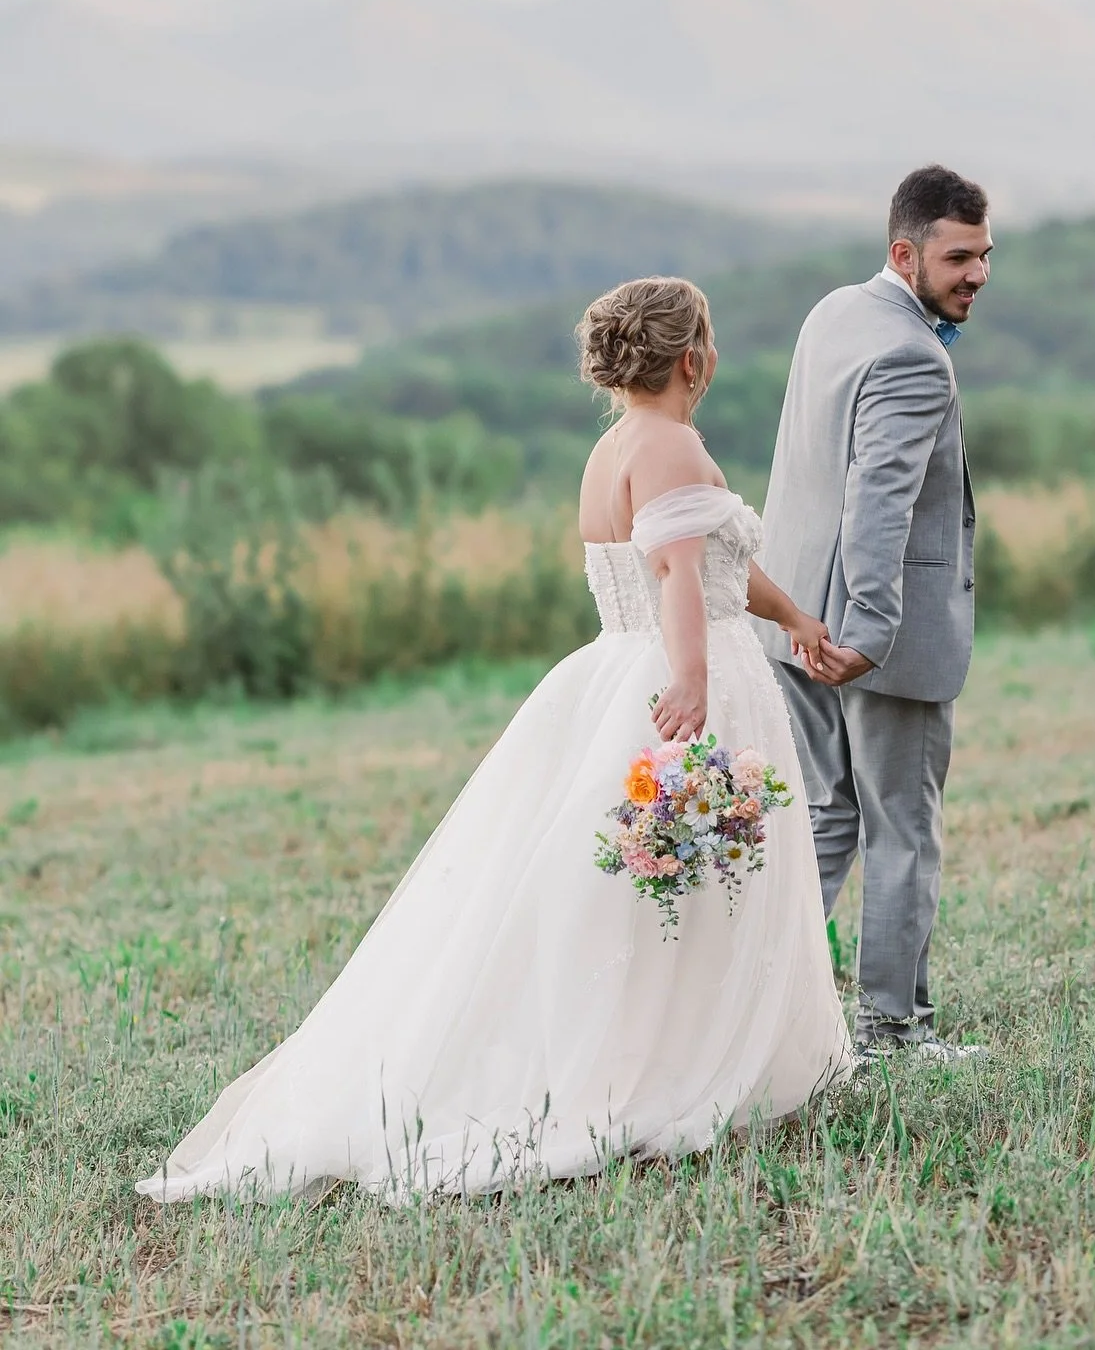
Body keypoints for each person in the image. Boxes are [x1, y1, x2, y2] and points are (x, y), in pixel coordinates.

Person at [138, 277, 850, 1203]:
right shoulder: (673, 444)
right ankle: (663, 1067)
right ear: (693, 357)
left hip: (614, 675)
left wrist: (791, 614)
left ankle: (687, 1048)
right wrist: (693, 680)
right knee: (676, 878)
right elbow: (677, 570)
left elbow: (714, 558)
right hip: (673, 678)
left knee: (657, 883)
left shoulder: (616, 448)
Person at [758, 165, 993, 1062]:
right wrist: (868, 632)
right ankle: (892, 1034)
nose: (976, 275)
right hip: (865, 636)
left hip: (791, 616)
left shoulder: (833, 312)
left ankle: (767, 1013)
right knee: (903, 831)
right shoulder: (912, 355)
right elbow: (878, 503)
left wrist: (807, 620)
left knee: (824, 817)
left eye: (984, 256)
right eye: (958, 257)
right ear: (906, 252)